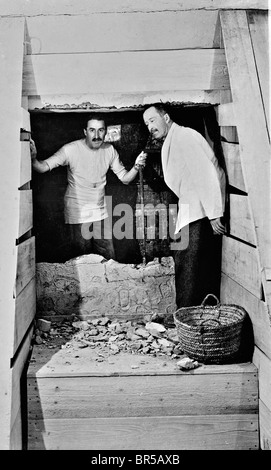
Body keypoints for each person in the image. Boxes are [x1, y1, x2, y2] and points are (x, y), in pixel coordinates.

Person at [143, 103, 226, 308]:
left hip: (199, 213)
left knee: (189, 271)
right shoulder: (173, 140)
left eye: (153, 120)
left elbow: (205, 173)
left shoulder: (184, 137)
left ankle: (188, 322)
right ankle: (189, 321)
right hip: (193, 211)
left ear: (167, 118)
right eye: (147, 124)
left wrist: (214, 213)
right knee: (189, 269)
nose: (150, 127)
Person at [30, 114, 147, 261]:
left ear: (106, 131)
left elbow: (125, 179)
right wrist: (33, 158)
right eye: (92, 130)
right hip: (77, 213)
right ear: (85, 131)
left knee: (109, 259)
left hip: (101, 213)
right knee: (81, 259)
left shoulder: (109, 150)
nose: (97, 136)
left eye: (100, 130)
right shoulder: (70, 149)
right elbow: (42, 167)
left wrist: (137, 166)